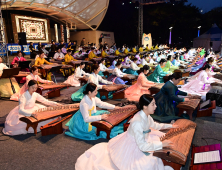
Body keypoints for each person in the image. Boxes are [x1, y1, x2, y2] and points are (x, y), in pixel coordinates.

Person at [75, 94, 176, 170]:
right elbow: (142, 146)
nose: (156, 106)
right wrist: (161, 144)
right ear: (145, 106)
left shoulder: (146, 115)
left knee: (158, 143)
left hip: (143, 140)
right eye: (153, 104)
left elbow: (155, 125)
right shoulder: (138, 122)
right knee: (147, 164)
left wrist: (171, 126)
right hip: (135, 145)